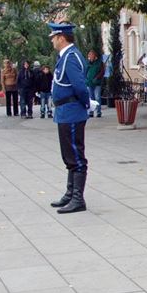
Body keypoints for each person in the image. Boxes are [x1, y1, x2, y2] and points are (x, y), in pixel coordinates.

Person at [47, 22, 96, 214]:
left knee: (75, 155)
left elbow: (79, 86)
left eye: (53, 37)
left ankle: (78, 198)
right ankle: (70, 194)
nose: (52, 41)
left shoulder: (72, 56)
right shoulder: (66, 56)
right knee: (69, 155)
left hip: (72, 111)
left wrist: (85, 104)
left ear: (61, 37)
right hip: (65, 112)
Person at [85, 49, 104, 118]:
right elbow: (85, 71)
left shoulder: (99, 63)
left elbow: (102, 72)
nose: (90, 56)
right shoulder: (87, 63)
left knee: (97, 97)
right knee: (91, 98)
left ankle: (98, 112)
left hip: (97, 83)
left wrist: (97, 78)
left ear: (95, 56)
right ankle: (91, 112)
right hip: (89, 83)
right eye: (89, 55)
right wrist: (85, 79)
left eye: (91, 55)